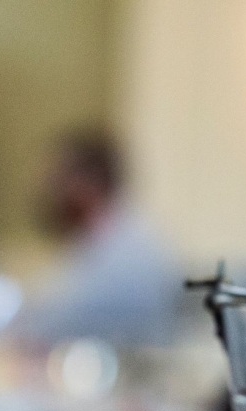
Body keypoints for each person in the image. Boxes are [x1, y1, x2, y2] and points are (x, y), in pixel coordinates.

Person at [15, 131, 184, 348]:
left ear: (87, 183)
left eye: (58, 178)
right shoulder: (97, 237)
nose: (48, 188)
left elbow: (62, 318)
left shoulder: (131, 249)